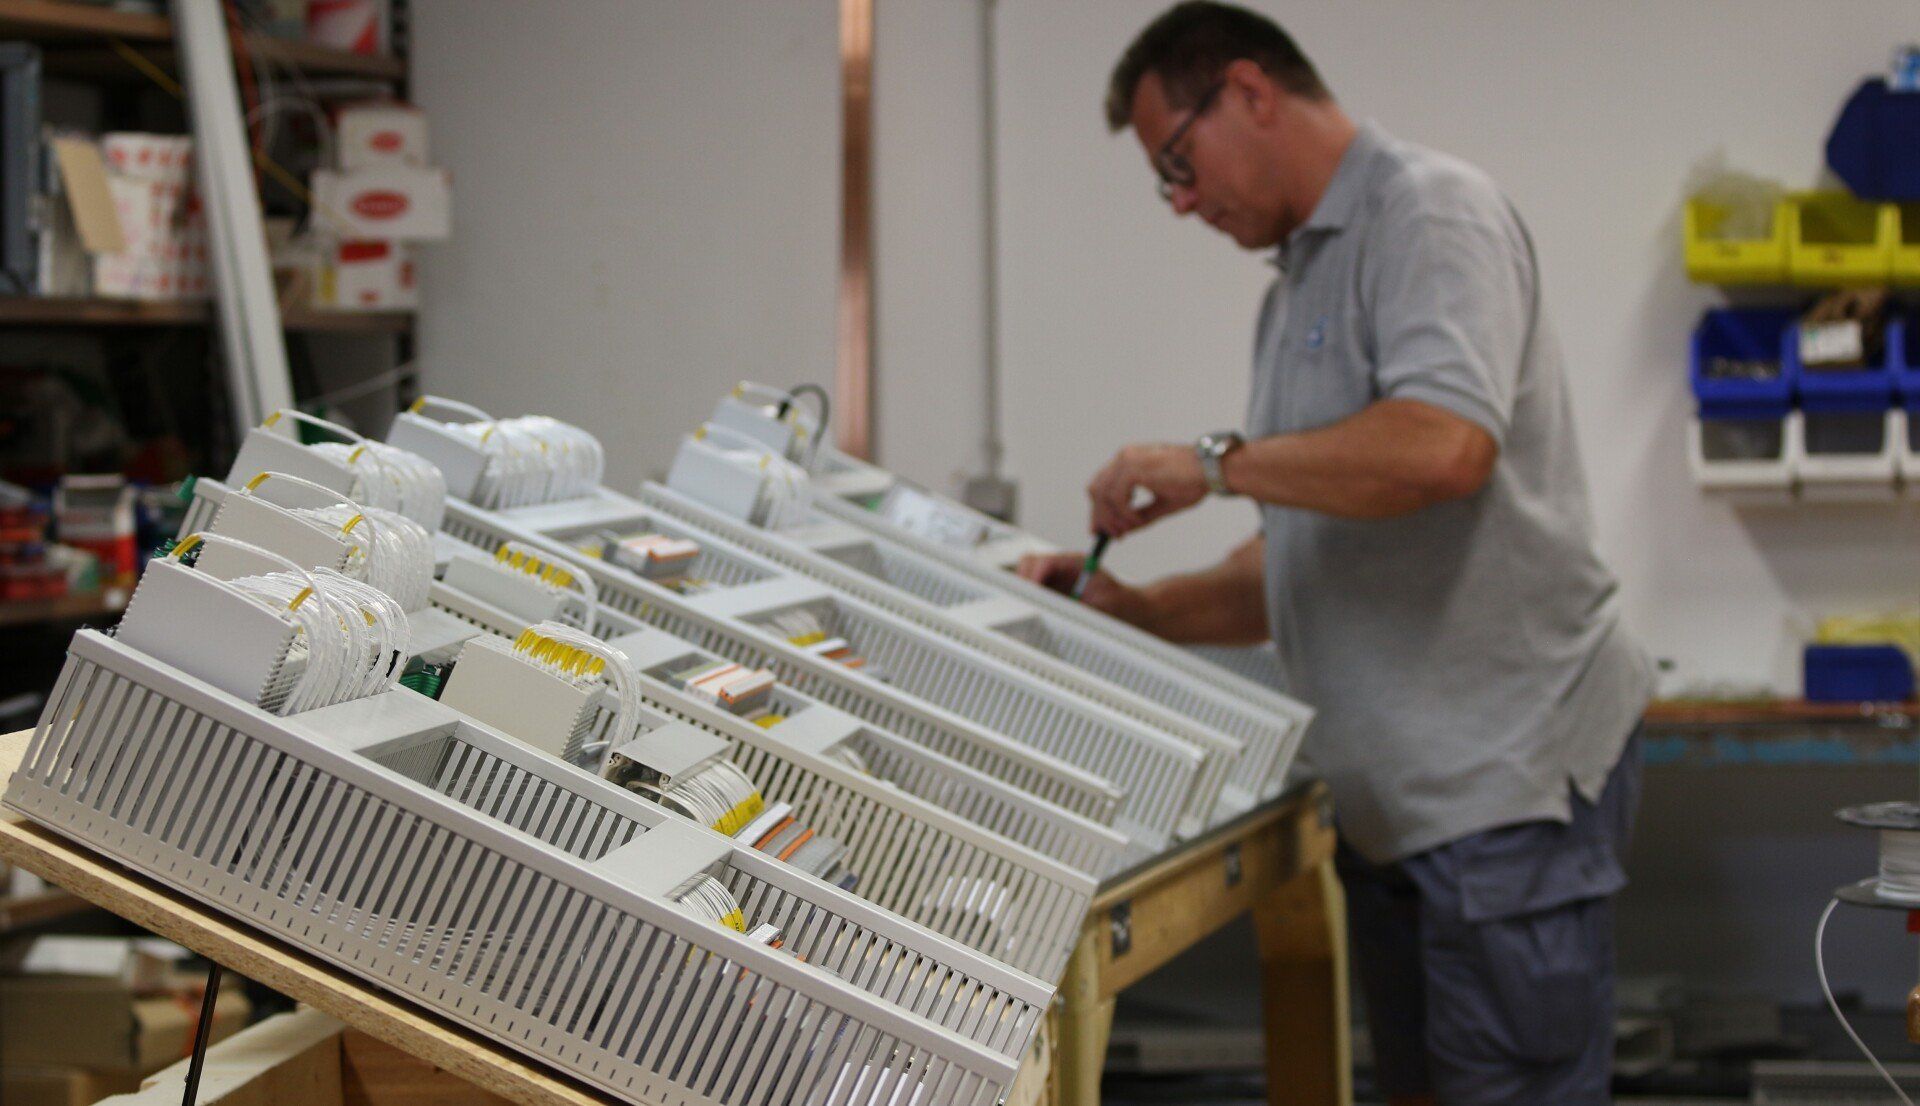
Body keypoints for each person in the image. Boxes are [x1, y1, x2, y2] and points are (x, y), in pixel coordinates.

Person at [1016, 5, 1654, 1104]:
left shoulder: (1429, 213)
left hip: (1501, 797)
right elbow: (1303, 562)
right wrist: (1137, 609)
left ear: (1250, 92)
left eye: (1178, 163)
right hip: (1401, 815)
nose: (1181, 201)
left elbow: (1444, 447)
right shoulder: (1294, 294)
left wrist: (1213, 465)